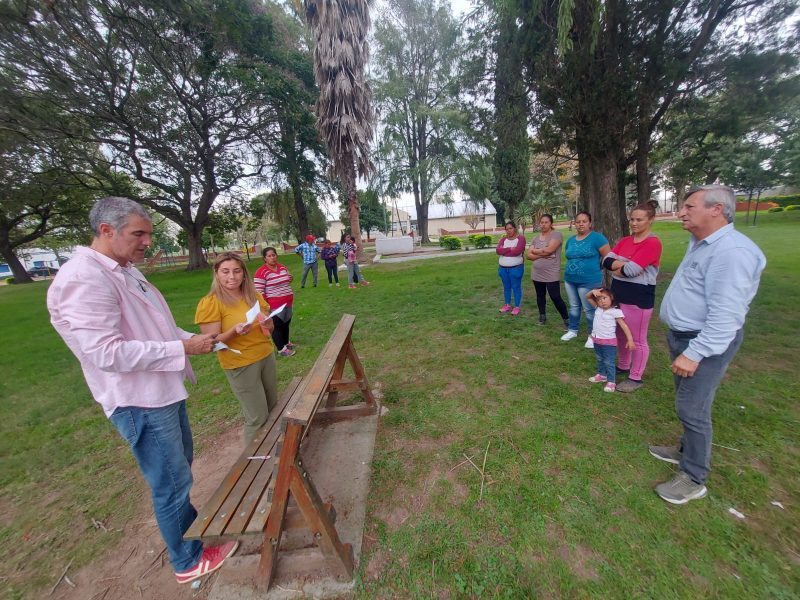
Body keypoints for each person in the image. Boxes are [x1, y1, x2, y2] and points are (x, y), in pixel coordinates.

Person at [46, 197, 237, 585]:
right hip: (138, 400)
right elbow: (106, 353)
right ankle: (187, 560)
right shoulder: (84, 278)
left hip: (161, 391)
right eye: (139, 234)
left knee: (179, 472)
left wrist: (198, 340)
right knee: (170, 483)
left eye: (148, 234)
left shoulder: (124, 270)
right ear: (106, 230)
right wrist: (182, 348)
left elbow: (157, 327)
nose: (147, 242)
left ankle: (191, 535)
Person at [652, 185, 766, 505]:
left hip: (704, 342)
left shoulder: (732, 252)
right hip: (685, 336)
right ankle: (685, 449)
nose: (681, 212)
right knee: (688, 402)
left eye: (689, 206)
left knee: (692, 408)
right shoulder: (702, 243)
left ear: (716, 210)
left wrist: (695, 353)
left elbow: (726, 316)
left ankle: (693, 477)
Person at [195, 252, 278, 445]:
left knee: (273, 407)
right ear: (216, 273)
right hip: (241, 364)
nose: (232, 277)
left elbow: (268, 327)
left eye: (237, 271)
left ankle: (274, 448)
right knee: (257, 417)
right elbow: (212, 342)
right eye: (225, 271)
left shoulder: (253, 296)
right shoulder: (211, 302)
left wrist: (269, 324)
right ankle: (254, 459)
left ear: (244, 273)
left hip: (265, 355)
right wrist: (234, 331)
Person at [601, 200, 663, 393]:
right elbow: (605, 261)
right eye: (632, 219)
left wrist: (619, 266)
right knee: (621, 333)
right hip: (619, 294)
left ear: (650, 220)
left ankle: (636, 377)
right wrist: (623, 266)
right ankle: (623, 365)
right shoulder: (625, 241)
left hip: (638, 298)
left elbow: (631, 271)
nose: (634, 223)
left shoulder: (652, 243)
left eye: (639, 220)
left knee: (637, 338)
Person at [561, 211, 611, 348]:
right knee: (574, 306)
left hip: (589, 281)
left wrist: (594, 269)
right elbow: (569, 256)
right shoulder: (571, 240)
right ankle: (573, 330)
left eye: (584, 221)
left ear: (590, 223)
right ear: (575, 223)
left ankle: (592, 335)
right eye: (578, 222)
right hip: (570, 279)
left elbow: (608, 257)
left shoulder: (597, 238)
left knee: (589, 309)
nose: (581, 224)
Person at [585, 288, 635, 393]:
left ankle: (611, 381)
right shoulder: (598, 308)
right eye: (599, 299)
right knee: (600, 359)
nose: (602, 301)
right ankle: (602, 375)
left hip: (608, 343)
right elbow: (588, 297)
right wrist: (593, 291)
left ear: (611, 297)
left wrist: (630, 340)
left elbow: (624, 326)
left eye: (604, 298)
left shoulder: (615, 312)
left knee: (609, 362)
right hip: (597, 340)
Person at [526, 214, 569, 327]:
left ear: (551, 223)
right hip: (537, 273)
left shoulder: (556, 235)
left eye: (546, 222)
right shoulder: (535, 238)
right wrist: (543, 253)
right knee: (540, 296)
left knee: (555, 296)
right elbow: (528, 255)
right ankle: (542, 316)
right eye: (542, 222)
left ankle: (566, 319)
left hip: (551, 272)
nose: (543, 225)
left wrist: (536, 251)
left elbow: (550, 250)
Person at [254, 247, 296, 357]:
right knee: (277, 326)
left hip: (288, 301)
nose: (272, 257)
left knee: (286, 323)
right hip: (274, 304)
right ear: (265, 258)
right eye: (269, 256)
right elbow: (259, 292)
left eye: (274, 255)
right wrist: (266, 307)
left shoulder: (282, 267)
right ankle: (281, 349)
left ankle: (286, 342)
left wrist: (290, 278)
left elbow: (287, 279)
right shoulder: (261, 272)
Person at [496, 221, 526, 315]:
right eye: (507, 229)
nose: (508, 231)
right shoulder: (503, 239)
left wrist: (504, 251)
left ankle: (517, 307)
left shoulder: (520, 238)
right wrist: (510, 249)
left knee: (516, 287)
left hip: (516, 268)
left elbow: (518, 251)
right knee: (506, 287)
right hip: (503, 269)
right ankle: (507, 305)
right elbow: (498, 251)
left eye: (510, 228)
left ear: (514, 228)